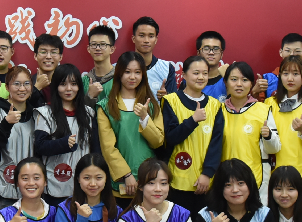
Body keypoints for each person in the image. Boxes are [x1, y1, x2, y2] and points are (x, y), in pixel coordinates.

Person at [160, 56, 225, 213]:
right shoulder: (170, 101)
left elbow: (216, 143)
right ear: (184, 75)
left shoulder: (215, 105)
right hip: (176, 180)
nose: (201, 77)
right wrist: (193, 120)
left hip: (204, 182)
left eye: (205, 73)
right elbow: (170, 137)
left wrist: (207, 174)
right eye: (196, 73)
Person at [98, 52, 164, 203]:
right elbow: (108, 147)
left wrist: (144, 118)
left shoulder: (152, 105)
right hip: (120, 183)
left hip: (149, 179)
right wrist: (126, 175)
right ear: (119, 73)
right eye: (127, 72)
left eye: (137, 72)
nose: (132, 77)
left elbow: (158, 141)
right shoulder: (106, 106)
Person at [264, 55, 302, 206]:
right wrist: (267, 136)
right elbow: (269, 147)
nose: (290, 78)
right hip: (275, 176)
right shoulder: (269, 104)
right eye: (285, 73)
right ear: (280, 76)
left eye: (295, 74)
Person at [33, 64, 99, 202]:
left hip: (83, 184)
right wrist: (63, 143)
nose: (69, 89)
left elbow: (95, 149)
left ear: (79, 87)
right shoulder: (45, 113)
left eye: (73, 84)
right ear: (55, 87)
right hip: (54, 183)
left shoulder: (89, 113)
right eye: (63, 84)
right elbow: (40, 146)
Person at [220, 61, 279, 206]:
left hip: (256, 179)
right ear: (225, 83)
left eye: (245, 80)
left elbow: (275, 148)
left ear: (252, 83)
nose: (239, 84)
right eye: (234, 79)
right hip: (225, 180)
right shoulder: (218, 111)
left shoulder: (263, 110)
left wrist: (268, 136)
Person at [0, 65, 38, 203]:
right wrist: (6, 123)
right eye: (16, 84)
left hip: (31, 190)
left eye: (26, 84)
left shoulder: (37, 115)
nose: (22, 89)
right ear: (7, 87)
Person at [261, 33, 302, 98]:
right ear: (281, 52)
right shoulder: (266, 80)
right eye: (288, 51)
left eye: (297, 51)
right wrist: (255, 93)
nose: (292, 54)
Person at [130, 16, 176, 101]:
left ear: (156, 39)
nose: (146, 40)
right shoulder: (120, 67)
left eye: (151, 36)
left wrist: (167, 98)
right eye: (141, 35)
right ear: (133, 39)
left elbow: (174, 102)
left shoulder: (167, 68)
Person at [81, 25, 117, 107]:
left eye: (103, 44)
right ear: (88, 49)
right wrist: (89, 96)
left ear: (112, 49)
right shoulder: (84, 81)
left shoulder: (120, 78)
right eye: (94, 44)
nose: (97, 48)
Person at [195, 31, 228, 100]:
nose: (211, 53)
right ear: (198, 53)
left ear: (221, 54)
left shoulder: (230, 80)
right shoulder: (189, 80)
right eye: (206, 49)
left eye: (216, 49)